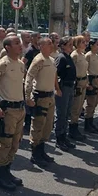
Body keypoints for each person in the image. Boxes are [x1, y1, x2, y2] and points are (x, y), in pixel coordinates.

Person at [0, 35, 26, 191]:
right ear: (7, 47)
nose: (20, 45)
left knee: (15, 143)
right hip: (7, 110)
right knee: (5, 143)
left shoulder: (21, 64)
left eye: (20, 43)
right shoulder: (3, 64)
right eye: (16, 43)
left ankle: (7, 172)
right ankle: (1, 176)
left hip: (20, 108)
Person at [26, 38, 61, 167]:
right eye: (48, 44)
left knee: (47, 125)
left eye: (52, 44)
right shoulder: (38, 60)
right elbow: (29, 78)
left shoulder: (51, 60)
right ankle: (35, 153)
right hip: (40, 96)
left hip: (50, 96)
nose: (51, 46)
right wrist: (28, 97)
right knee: (38, 125)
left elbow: (54, 77)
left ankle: (42, 150)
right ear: (41, 46)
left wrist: (57, 89)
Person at [54, 36, 76, 151]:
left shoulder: (68, 57)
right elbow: (54, 74)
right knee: (61, 114)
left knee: (67, 113)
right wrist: (57, 89)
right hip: (63, 87)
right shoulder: (61, 58)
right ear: (63, 46)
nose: (71, 47)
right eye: (69, 44)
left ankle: (64, 136)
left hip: (70, 87)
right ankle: (59, 138)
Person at [68, 36, 88, 141]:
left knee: (80, 107)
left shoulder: (82, 55)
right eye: (82, 42)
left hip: (84, 82)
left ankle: (75, 127)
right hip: (78, 83)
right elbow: (72, 71)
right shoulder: (74, 55)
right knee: (75, 107)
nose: (85, 43)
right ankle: (72, 129)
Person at [22, 32, 40, 133]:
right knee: (29, 102)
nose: (39, 39)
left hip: (38, 79)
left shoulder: (39, 50)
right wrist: (26, 75)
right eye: (37, 37)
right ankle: (27, 123)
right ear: (32, 39)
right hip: (30, 79)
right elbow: (22, 63)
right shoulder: (30, 51)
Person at [84, 39, 98, 133]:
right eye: (96, 44)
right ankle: (87, 124)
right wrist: (88, 83)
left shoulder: (96, 55)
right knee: (90, 103)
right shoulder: (88, 55)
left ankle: (91, 122)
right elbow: (85, 70)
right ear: (91, 45)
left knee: (95, 102)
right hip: (92, 80)